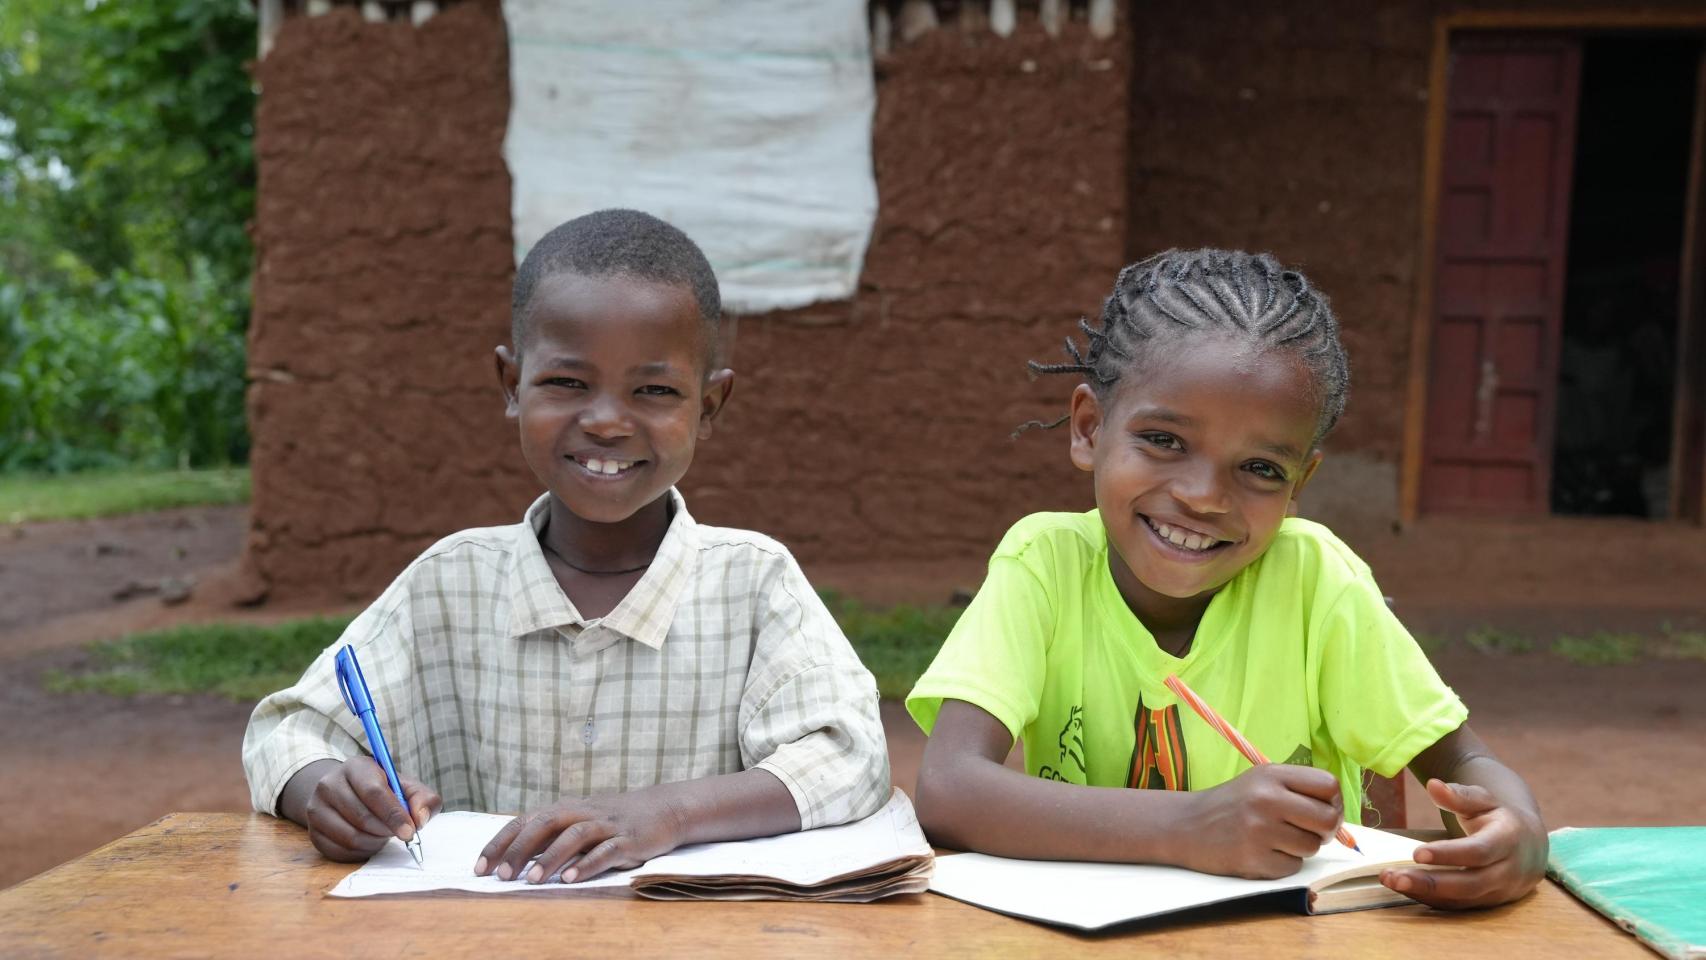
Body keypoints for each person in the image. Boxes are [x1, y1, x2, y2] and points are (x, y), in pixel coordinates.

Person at [243, 209, 889, 884]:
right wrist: (328, 791)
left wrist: (668, 813)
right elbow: (286, 732)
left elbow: (850, 759)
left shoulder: (753, 584)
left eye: (655, 390)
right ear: (511, 385)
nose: (606, 421)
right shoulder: (448, 583)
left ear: (709, 406)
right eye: (567, 383)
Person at [906, 249, 1546, 908]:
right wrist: (1190, 827)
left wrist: (1514, 830)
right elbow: (950, 789)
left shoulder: (1316, 583)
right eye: (1164, 440)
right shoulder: (1045, 565)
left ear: (1299, 484)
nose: (1204, 496)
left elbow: (1463, 763)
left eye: (1261, 469)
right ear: (1090, 429)